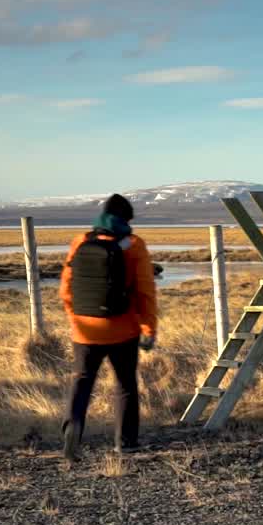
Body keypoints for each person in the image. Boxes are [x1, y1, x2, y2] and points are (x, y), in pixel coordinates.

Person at [58, 193, 158, 461]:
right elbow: (145, 292)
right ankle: (126, 443)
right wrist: (149, 329)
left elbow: (66, 287)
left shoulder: (81, 241)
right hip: (122, 330)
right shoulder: (134, 245)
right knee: (125, 384)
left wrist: (76, 318)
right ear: (126, 219)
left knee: (81, 380)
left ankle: (73, 430)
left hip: (84, 329)